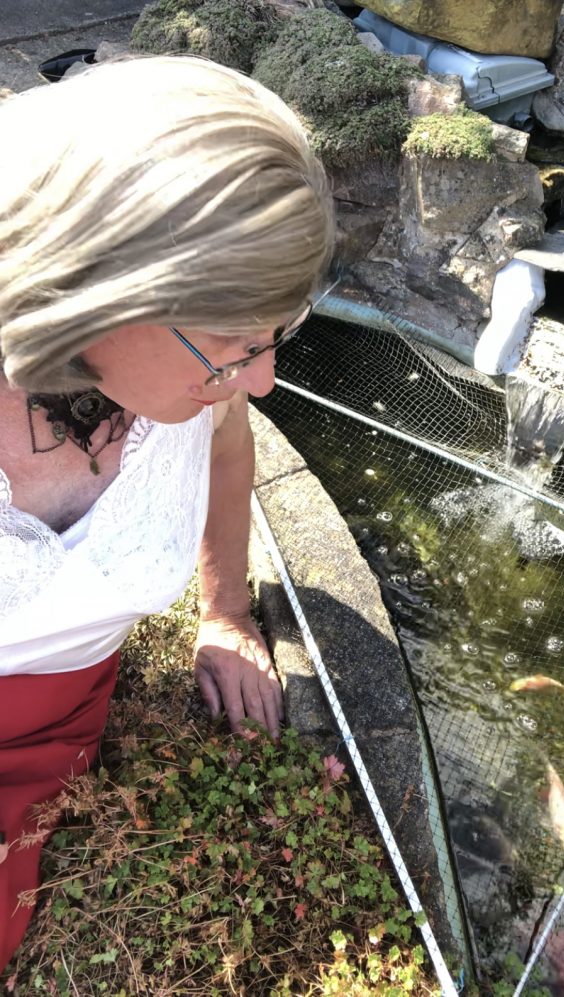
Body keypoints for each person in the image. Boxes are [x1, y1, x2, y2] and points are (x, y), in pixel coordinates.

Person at [0, 53, 334, 971]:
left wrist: (225, 607)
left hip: (58, 719)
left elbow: (227, 442)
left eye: (277, 337)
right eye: (236, 346)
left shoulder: (194, 393)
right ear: (101, 292)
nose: (261, 378)